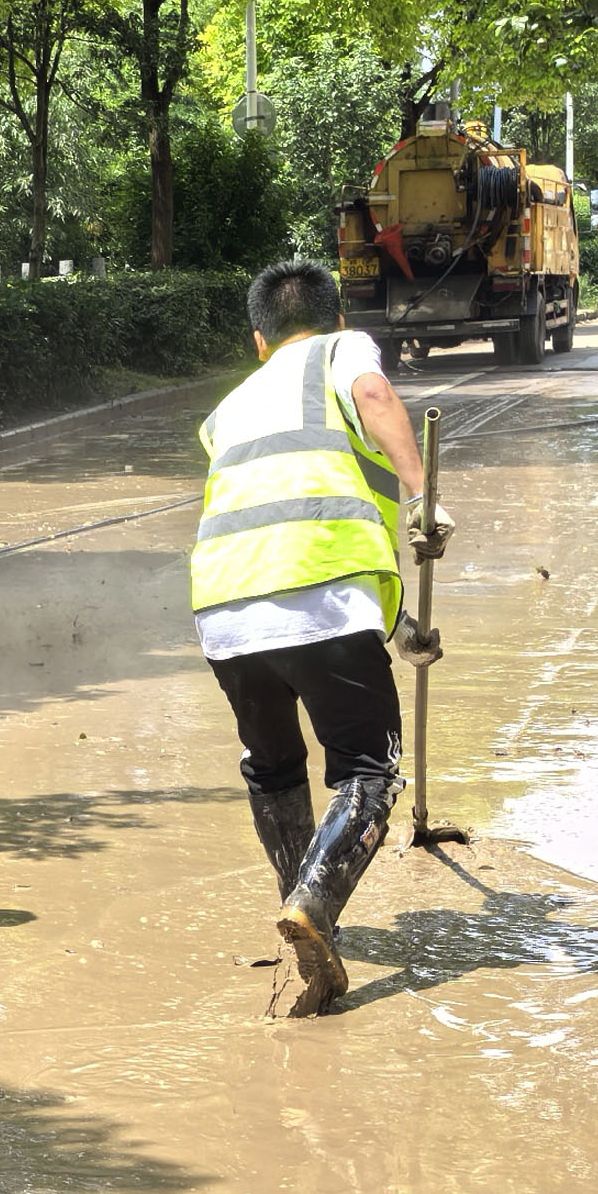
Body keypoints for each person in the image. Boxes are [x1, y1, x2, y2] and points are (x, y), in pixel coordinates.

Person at [191, 259, 435, 1019]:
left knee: (272, 767)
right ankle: (314, 905)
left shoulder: (227, 407)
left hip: (224, 611)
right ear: (334, 320)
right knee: (368, 771)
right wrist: (425, 495)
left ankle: (295, 897)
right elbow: (375, 396)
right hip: (324, 593)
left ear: (258, 341)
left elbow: (280, 507)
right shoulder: (343, 351)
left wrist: (399, 626)